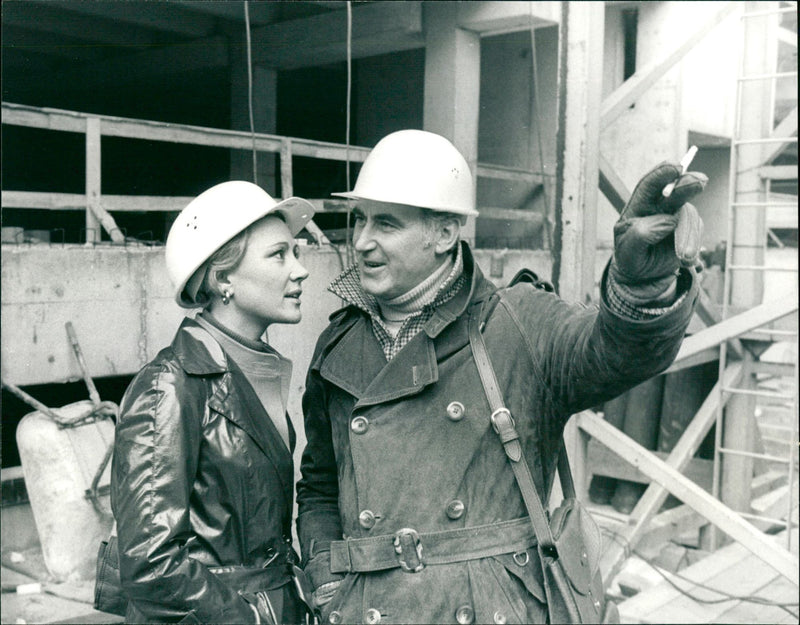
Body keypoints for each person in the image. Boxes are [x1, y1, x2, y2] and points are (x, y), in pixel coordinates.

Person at [296, 130, 706, 624]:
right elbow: (319, 483)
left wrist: (639, 287)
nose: (361, 242)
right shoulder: (338, 344)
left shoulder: (520, 321)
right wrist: (326, 575)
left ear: (444, 234)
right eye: (358, 219)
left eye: (386, 223)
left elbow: (616, 352)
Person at [111, 181, 315, 623]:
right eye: (279, 255)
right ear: (223, 278)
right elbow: (150, 563)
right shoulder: (170, 386)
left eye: (296, 253)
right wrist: (248, 617)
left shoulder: (252, 368)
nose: (300, 270)